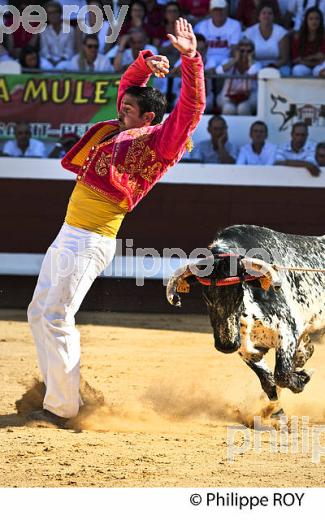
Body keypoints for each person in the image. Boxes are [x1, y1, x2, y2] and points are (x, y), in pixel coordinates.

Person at [27, 18, 206, 426]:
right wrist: (147, 63)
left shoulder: (162, 142)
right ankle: (57, 393)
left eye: (128, 108)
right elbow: (128, 85)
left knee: (56, 316)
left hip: (90, 240)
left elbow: (192, 108)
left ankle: (61, 408)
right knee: (39, 313)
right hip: (69, 233)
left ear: (147, 117)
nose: (120, 108)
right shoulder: (124, 126)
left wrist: (190, 58)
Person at [216, 37, 261, 115]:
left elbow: (251, 72)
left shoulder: (256, 64)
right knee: (228, 108)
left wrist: (249, 60)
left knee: (243, 108)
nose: (245, 54)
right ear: (237, 51)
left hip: (250, 96)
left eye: (249, 51)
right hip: (228, 95)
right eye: (242, 51)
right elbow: (219, 71)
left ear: (253, 52)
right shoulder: (229, 62)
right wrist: (235, 60)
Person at [244, 2, 290, 76]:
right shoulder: (250, 32)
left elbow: (284, 59)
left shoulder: (281, 32)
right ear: (258, 16)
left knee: (286, 71)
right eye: (264, 13)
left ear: (274, 17)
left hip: (277, 65)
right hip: (256, 65)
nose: (266, 16)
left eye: (270, 13)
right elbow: (246, 56)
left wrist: (270, 67)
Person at [195, 0, 242, 69]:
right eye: (216, 10)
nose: (219, 12)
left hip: (226, 59)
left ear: (227, 10)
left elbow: (234, 48)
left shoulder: (235, 25)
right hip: (205, 59)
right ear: (211, 11)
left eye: (221, 9)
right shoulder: (201, 26)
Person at [291, 7, 325, 77]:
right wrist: (312, 58)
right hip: (305, 67)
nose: (314, 21)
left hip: (320, 66)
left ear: (321, 21)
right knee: (297, 70)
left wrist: (304, 59)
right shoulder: (298, 37)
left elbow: (322, 57)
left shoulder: (324, 36)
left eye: (317, 19)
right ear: (306, 21)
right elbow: (295, 59)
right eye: (311, 19)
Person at [40, 1, 76, 67]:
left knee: (62, 66)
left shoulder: (70, 30)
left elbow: (69, 50)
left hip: (65, 60)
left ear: (60, 13)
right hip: (49, 60)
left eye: (55, 12)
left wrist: (60, 61)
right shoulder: (44, 31)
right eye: (50, 13)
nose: (53, 15)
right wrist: (51, 61)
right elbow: (44, 50)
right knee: (45, 65)